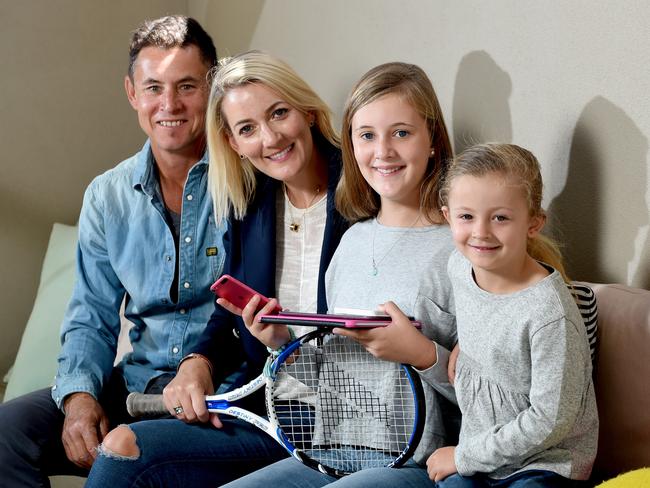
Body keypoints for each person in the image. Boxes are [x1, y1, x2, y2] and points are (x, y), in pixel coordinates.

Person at [84, 50, 349, 486]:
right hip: (268, 408)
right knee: (121, 450)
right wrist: (198, 363)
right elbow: (230, 310)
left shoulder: (360, 189)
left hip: (342, 419)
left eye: (279, 113)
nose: (270, 138)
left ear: (306, 109)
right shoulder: (251, 204)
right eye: (248, 128)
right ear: (233, 143)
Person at [0, 15, 229, 486]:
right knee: (8, 432)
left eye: (186, 86)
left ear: (213, 86)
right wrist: (80, 398)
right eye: (153, 88)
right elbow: (91, 316)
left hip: (219, 394)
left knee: (127, 457)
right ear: (131, 93)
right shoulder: (107, 196)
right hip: (135, 386)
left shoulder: (247, 179)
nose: (169, 104)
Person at [223, 61, 459, 488]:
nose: (383, 151)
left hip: (418, 463)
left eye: (401, 133)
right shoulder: (349, 244)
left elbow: (495, 397)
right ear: (351, 146)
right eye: (367, 136)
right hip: (330, 453)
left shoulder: (461, 249)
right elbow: (339, 380)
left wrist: (422, 354)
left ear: (433, 141)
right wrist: (282, 346)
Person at [428, 143, 598, 486]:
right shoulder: (459, 267)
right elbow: (487, 320)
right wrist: (468, 344)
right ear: (448, 216)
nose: (481, 232)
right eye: (466, 216)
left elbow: (550, 421)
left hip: (545, 464)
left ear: (533, 224)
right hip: (484, 455)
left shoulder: (549, 315)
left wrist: (462, 456)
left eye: (500, 217)